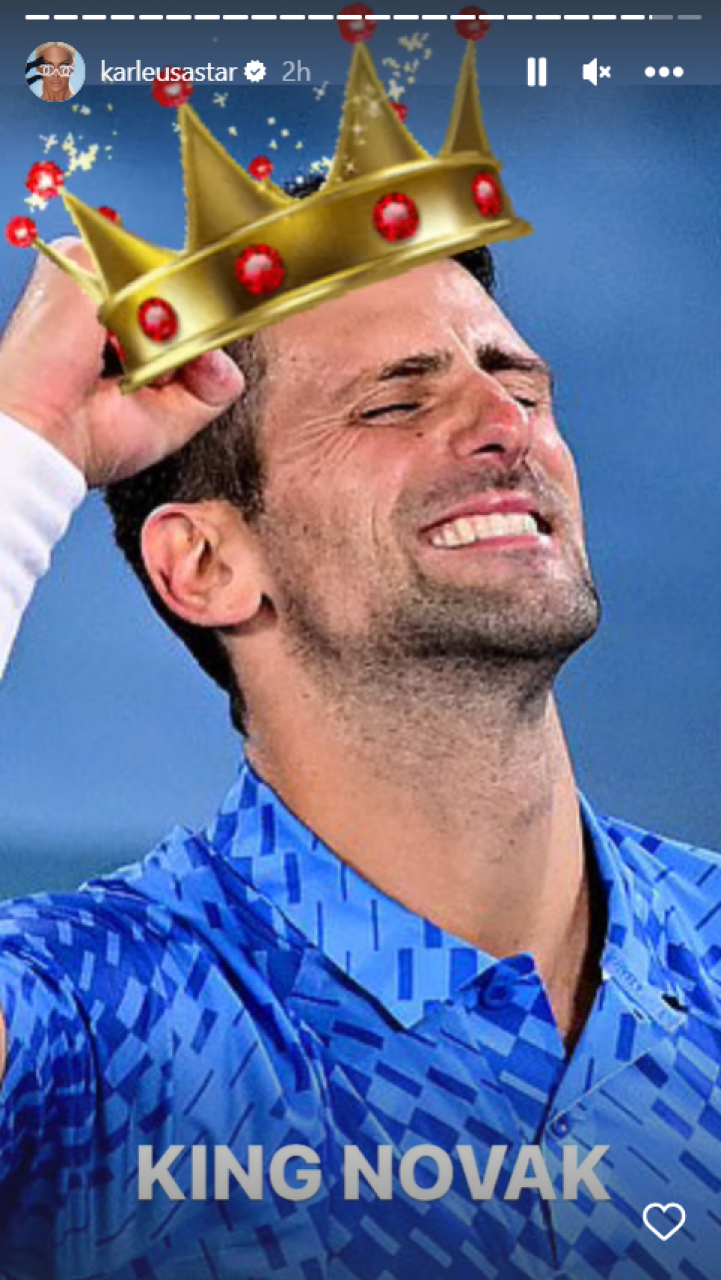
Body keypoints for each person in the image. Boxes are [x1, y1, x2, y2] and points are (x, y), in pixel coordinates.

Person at [0, 238, 719, 1280]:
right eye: (394, 404)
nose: (506, 423)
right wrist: (25, 443)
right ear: (205, 562)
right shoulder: (89, 1012)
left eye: (520, 386)